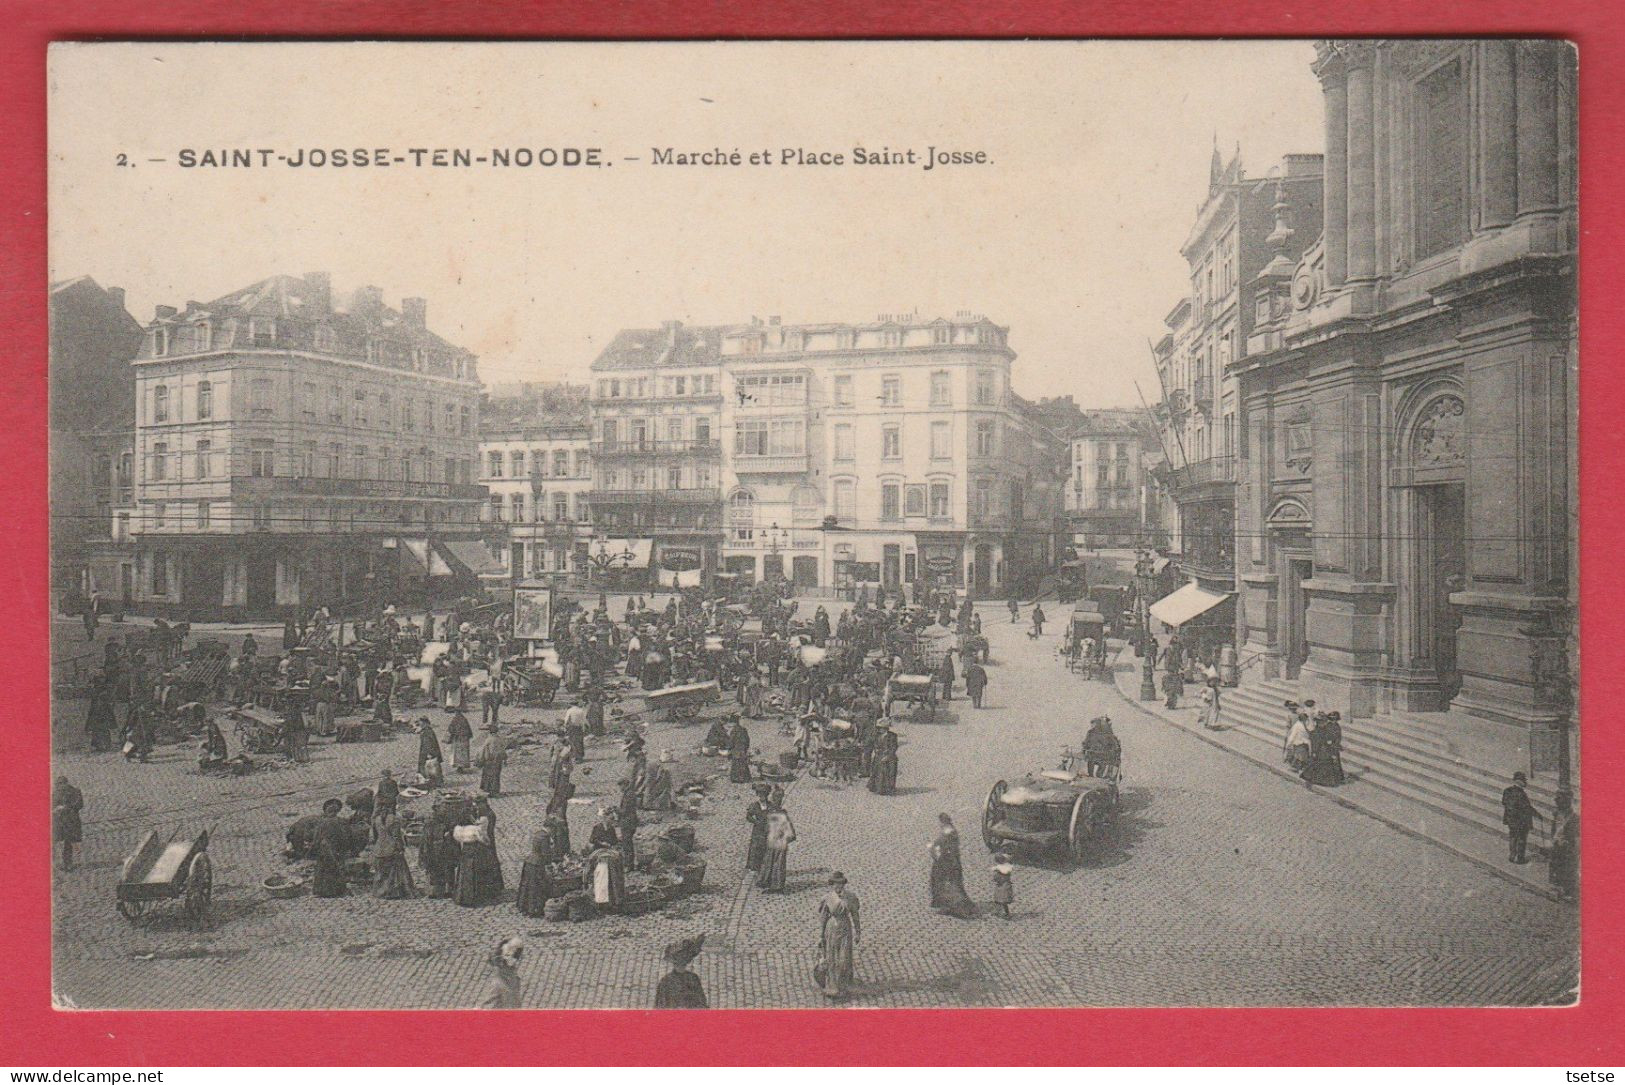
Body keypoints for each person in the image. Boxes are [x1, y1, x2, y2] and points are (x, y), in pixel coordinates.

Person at [816, 872, 861, 1000]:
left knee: (843, 959)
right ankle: (832, 987)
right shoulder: (828, 898)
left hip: (845, 929)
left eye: (841, 883)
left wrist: (858, 932)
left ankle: (843, 986)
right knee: (832, 958)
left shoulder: (850, 897)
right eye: (836, 884)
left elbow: (855, 915)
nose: (838, 886)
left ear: (844, 884)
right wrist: (821, 936)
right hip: (831, 930)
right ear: (833, 885)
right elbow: (824, 917)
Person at [455, 795, 504, 906]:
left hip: (486, 842)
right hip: (482, 843)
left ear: (484, 803)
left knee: (489, 864)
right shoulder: (482, 814)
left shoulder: (488, 815)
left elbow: (483, 831)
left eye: (478, 804)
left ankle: (492, 889)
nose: (477, 807)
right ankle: (487, 890)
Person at [928, 813, 978, 919]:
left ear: (943, 822)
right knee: (942, 882)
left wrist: (935, 849)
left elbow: (948, 848)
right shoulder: (949, 831)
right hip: (946, 860)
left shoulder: (950, 833)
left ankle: (958, 908)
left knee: (949, 884)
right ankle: (946, 905)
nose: (940, 825)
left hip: (948, 862)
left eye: (940, 822)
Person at [584, 809, 626, 912]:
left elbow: (614, 841)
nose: (611, 821)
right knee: (602, 876)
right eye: (610, 819)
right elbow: (592, 840)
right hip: (599, 852)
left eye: (613, 819)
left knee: (614, 874)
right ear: (605, 817)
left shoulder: (611, 829)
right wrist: (602, 843)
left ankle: (614, 900)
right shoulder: (597, 828)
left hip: (609, 851)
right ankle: (601, 902)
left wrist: (615, 845)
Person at [372, 804, 418, 899]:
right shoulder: (394, 819)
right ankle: (395, 892)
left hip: (379, 847)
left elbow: (375, 835)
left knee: (382, 871)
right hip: (391, 847)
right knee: (397, 870)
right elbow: (396, 836)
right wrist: (400, 847)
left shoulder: (377, 819)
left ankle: (381, 891)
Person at [655, 935, 709, 1009]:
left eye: (682, 963)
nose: (681, 966)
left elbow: (701, 1003)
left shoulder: (693, 978)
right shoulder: (666, 981)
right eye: (679, 963)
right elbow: (660, 1006)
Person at [419, 797, 458, 898]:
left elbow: (453, 828)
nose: (445, 808)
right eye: (442, 807)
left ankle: (448, 889)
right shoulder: (431, 819)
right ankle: (433, 891)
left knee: (448, 867)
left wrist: (450, 833)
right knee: (434, 869)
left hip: (447, 846)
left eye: (445, 806)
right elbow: (427, 836)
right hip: (434, 847)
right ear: (436, 808)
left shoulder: (449, 817)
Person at [312, 799, 351, 898]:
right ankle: (335, 891)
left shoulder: (321, 823)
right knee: (335, 869)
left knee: (322, 870)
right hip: (334, 850)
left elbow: (316, 838)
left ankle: (320, 890)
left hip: (323, 850)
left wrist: (316, 847)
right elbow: (343, 837)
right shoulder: (338, 822)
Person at [757, 791, 796, 892]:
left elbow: (789, 831)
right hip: (773, 841)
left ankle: (776, 885)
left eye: (778, 800)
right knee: (771, 861)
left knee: (777, 863)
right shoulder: (776, 813)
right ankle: (767, 882)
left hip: (779, 841)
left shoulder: (780, 813)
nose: (777, 801)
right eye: (776, 799)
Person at [516, 823, 557, 917]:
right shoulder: (545, 836)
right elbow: (545, 853)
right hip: (537, 864)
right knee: (537, 887)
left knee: (527, 885)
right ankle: (534, 910)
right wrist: (551, 862)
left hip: (529, 862)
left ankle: (524, 907)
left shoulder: (538, 833)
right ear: (550, 828)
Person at [1501, 771, 1539, 864]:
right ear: (1519, 782)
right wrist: (1537, 815)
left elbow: (1504, 802)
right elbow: (1527, 808)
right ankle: (1520, 858)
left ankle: (1512, 855)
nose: (1525, 783)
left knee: (1513, 837)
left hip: (1511, 820)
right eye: (1524, 781)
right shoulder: (1521, 794)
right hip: (1521, 821)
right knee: (1522, 839)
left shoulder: (1507, 790)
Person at [1301, 711, 1346, 787]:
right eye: (1331, 719)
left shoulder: (1336, 727)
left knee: (1333, 764)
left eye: (1334, 719)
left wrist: (1336, 745)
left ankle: (1337, 779)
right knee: (1323, 764)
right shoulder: (1325, 727)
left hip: (1331, 747)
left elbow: (1337, 738)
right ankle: (1322, 780)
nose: (1333, 721)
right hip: (1324, 748)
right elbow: (1320, 737)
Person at [1547, 791, 1578, 899]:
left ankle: (1567, 891)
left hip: (1567, 847)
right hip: (1557, 844)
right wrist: (1553, 839)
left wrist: (1566, 842)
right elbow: (1553, 828)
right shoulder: (1556, 814)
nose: (1557, 805)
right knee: (1555, 865)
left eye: (1559, 803)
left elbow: (1575, 834)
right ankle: (1555, 888)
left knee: (1567, 868)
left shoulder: (1574, 817)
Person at [480, 936, 525, 1009]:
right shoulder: (498, 984)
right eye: (515, 955)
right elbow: (488, 1010)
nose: (516, 959)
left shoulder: (515, 979)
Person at [53, 776, 83, 871]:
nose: (61, 787)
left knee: (67, 842)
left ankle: (66, 863)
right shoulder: (57, 793)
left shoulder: (74, 791)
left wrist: (64, 807)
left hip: (65, 821)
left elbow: (79, 805)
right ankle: (63, 864)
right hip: (65, 821)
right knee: (62, 842)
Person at [86, 673, 117, 751]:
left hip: (103, 712)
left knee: (102, 728)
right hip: (98, 712)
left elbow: (109, 701)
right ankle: (100, 744)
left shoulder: (104, 691)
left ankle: (104, 745)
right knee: (98, 729)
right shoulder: (98, 690)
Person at [744, 784, 772, 872]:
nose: (762, 797)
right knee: (756, 848)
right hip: (758, 830)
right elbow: (748, 816)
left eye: (764, 795)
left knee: (767, 847)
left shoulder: (770, 805)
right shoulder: (754, 805)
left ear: (767, 795)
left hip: (767, 830)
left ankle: (765, 867)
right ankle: (755, 867)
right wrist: (756, 822)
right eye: (760, 795)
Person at [867, 720, 899, 795]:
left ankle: (889, 789)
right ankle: (877, 788)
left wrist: (888, 756)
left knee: (889, 773)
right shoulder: (876, 735)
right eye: (878, 728)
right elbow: (872, 744)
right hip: (878, 756)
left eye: (881, 728)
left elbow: (894, 747)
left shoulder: (892, 736)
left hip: (889, 756)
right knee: (877, 772)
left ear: (886, 728)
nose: (879, 730)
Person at [477, 724, 507, 796]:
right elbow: (503, 750)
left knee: (488, 776)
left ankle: (489, 791)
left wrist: (480, 760)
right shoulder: (500, 739)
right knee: (496, 776)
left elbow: (483, 751)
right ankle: (495, 791)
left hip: (489, 761)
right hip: (498, 761)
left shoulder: (488, 740)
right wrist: (505, 759)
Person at [417, 718, 444, 787]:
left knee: (431, 767)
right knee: (432, 767)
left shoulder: (427, 732)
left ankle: (434, 782)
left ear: (425, 723)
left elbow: (429, 743)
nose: (420, 725)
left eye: (421, 723)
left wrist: (430, 753)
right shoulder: (428, 731)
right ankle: (434, 781)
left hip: (428, 752)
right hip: (428, 751)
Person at [727, 715, 753, 784]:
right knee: (743, 763)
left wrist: (729, 748)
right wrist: (746, 748)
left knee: (736, 764)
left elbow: (731, 741)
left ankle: (736, 778)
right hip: (743, 749)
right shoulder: (743, 729)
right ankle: (745, 778)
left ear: (733, 723)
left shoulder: (734, 730)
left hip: (736, 749)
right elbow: (747, 740)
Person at [990, 852, 1015, 919]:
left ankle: (1006, 913)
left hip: (1002, 886)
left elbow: (997, 877)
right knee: (1001, 900)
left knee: (1002, 900)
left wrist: (995, 878)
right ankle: (1003, 912)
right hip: (1004, 885)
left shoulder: (1000, 870)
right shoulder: (1006, 867)